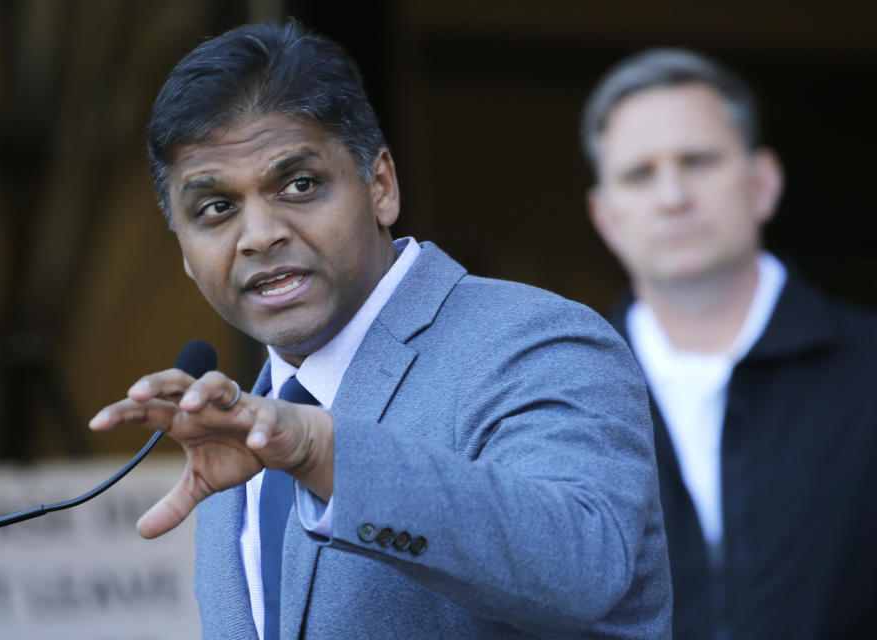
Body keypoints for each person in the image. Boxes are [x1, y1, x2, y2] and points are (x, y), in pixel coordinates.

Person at [90, 20, 672, 639]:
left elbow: (586, 563)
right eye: (216, 208)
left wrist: (322, 451)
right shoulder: (237, 440)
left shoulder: (537, 341)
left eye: (299, 184)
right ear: (183, 249)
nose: (259, 235)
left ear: (381, 187)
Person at [582, 48, 877, 640]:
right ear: (607, 217)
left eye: (697, 161)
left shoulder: (868, 366)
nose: (672, 197)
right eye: (640, 174)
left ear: (763, 183)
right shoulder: (558, 386)